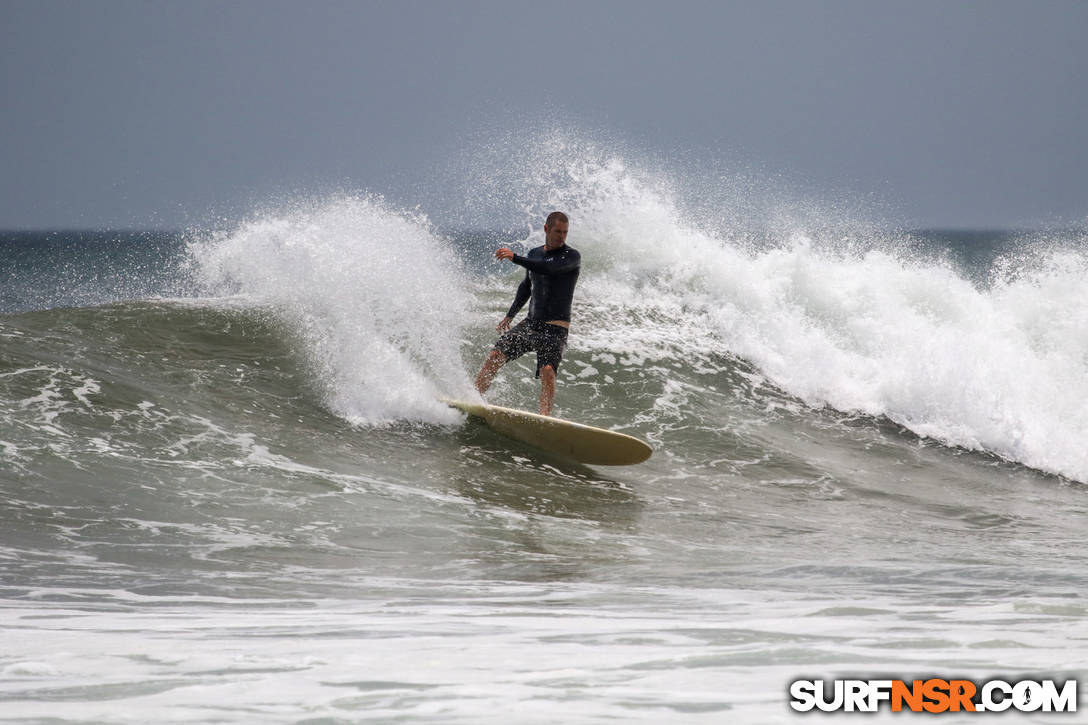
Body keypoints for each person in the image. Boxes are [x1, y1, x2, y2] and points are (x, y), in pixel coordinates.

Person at [473, 211, 581, 416]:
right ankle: (473, 398)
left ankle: (545, 419)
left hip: (556, 328)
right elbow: (526, 286)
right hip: (531, 323)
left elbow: (548, 269)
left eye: (565, 232)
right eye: (557, 231)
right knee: (495, 355)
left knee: (547, 371)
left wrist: (514, 257)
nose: (562, 236)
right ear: (546, 229)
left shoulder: (571, 256)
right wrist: (510, 315)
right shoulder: (534, 254)